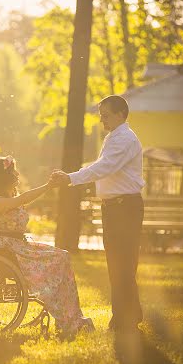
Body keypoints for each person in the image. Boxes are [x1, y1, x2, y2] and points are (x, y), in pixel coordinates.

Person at [56, 95, 145, 334]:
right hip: (115, 207)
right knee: (117, 265)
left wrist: (71, 178)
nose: (102, 120)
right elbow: (102, 166)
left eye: (105, 115)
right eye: (101, 115)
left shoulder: (124, 139)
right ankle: (125, 317)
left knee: (123, 264)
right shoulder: (113, 138)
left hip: (125, 208)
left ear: (120, 114)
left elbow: (105, 167)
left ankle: (126, 319)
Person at [0, 155, 95, 339]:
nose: (17, 175)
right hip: (12, 250)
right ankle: (67, 320)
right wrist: (48, 186)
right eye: (13, 172)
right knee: (60, 259)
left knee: (63, 256)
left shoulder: (7, 198)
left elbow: (25, 199)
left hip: (19, 246)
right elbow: (26, 198)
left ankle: (72, 318)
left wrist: (49, 186)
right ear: (5, 179)